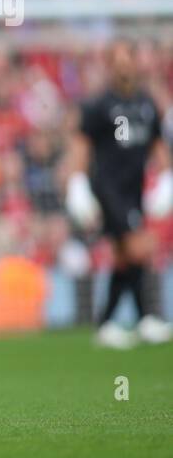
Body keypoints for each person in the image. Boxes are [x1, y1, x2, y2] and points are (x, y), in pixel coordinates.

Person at [67, 40, 173, 348]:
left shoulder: (146, 104)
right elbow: (81, 146)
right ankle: (139, 318)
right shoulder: (98, 105)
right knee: (138, 247)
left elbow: (157, 145)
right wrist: (77, 184)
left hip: (135, 187)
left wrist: (166, 177)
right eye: (119, 59)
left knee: (126, 256)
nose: (125, 64)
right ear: (110, 64)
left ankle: (120, 322)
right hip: (109, 188)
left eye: (129, 57)